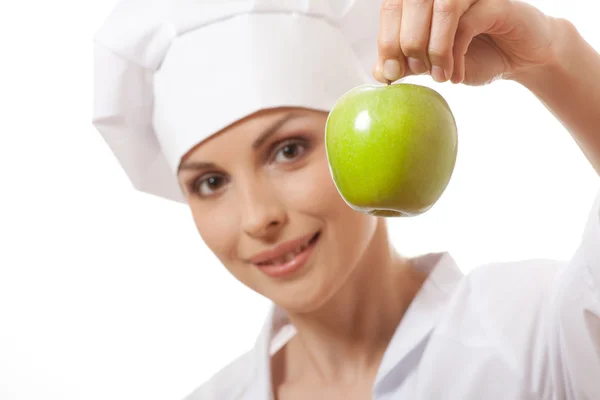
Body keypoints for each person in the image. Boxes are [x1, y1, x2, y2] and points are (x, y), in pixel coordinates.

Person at [92, 0, 600, 398]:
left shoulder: (535, 334)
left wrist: (555, 56)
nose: (258, 217)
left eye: (288, 150)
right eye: (209, 183)